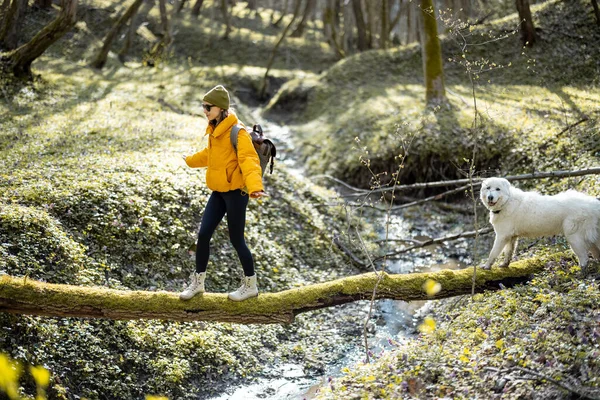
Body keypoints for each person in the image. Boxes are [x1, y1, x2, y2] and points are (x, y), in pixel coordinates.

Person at [179, 85, 267, 302]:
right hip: (218, 192)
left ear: (221, 108)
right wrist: (190, 160)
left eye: (208, 107)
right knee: (203, 235)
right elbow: (210, 155)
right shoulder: (214, 129)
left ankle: (250, 285)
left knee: (237, 241)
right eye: (203, 106)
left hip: (237, 193)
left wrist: (255, 187)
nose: (205, 110)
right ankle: (198, 283)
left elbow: (249, 160)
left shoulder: (238, 132)